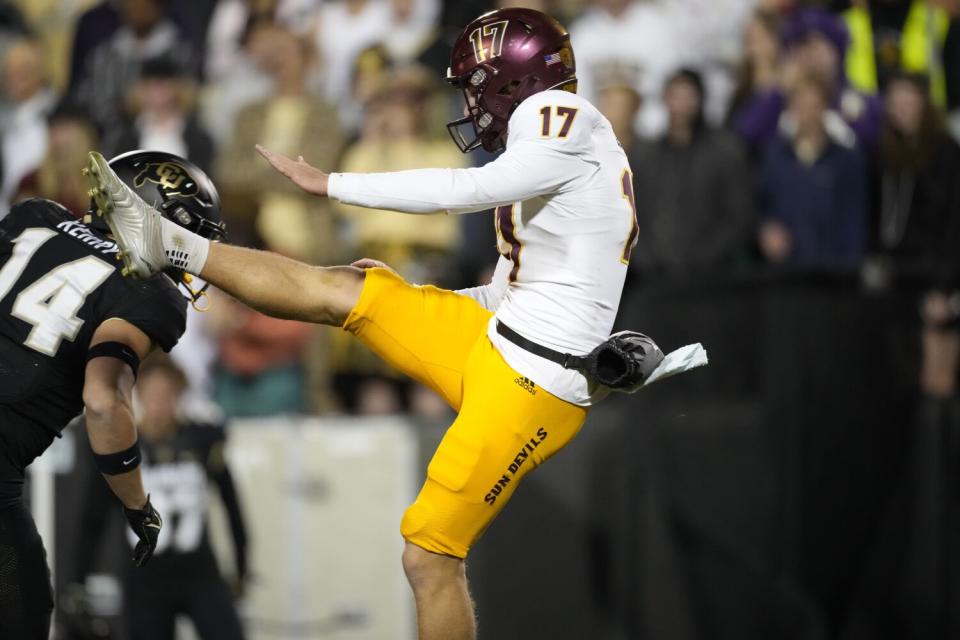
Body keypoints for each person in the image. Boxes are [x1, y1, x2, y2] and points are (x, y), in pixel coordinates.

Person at [86, 8, 665, 639]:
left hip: (534, 381)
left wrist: (332, 183)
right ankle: (169, 243)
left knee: (429, 556)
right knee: (346, 290)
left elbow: (461, 189)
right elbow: (509, 290)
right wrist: (419, 296)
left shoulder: (563, 118)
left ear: (513, 81)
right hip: (503, 335)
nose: (471, 103)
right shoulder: (557, 144)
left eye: (476, 85)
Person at [0, 149, 226, 638]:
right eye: (187, 234)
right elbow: (104, 401)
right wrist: (137, 505)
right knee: (22, 612)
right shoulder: (148, 293)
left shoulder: (34, 215)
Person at [75, 355, 248, 640]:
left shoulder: (201, 441)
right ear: (138, 395)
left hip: (198, 570)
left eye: (166, 394)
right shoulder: (121, 448)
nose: (158, 403)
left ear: (179, 395)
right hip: (146, 576)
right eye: (151, 394)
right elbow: (93, 517)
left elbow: (232, 505)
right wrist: (78, 579)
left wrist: (241, 564)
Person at [630, 69, 754, 274]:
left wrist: (704, 259)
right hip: (653, 277)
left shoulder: (726, 152)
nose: (681, 105)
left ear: (700, 99)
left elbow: (739, 216)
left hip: (710, 277)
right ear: (665, 100)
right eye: (675, 96)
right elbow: (631, 214)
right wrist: (645, 259)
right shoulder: (645, 157)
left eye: (688, 96)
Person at [757, 74, 868, 267]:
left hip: (831, 273)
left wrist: (849, 269)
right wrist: (766, 230)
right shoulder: (774, 157)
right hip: (785, 272)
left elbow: (855, 221)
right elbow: (761, 206)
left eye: (814, 106)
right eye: (800, 105)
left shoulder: (847, 160)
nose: (807, 113)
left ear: (825, 107)